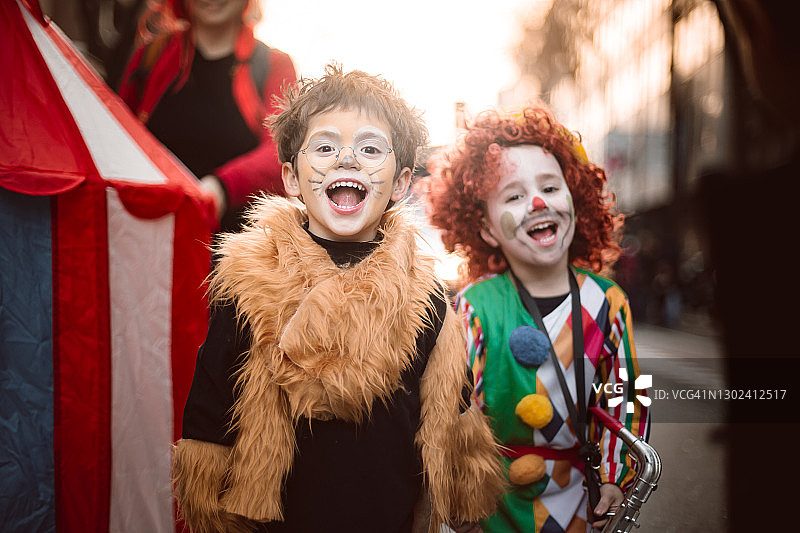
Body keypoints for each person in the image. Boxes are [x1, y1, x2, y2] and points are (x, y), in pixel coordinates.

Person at [171, 64, 505, 533]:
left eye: (370, 148)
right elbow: (210, 405)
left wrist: (461, 502)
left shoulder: (424, 296)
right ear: (290, 177)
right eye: (326, 147)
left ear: (402, 183)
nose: (347, 160)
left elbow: (452, 406)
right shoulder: (248, 284)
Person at [423, 106, 650, 533]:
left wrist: (616, 478)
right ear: (486, 228)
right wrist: (460, 494)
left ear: (574, 199)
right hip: (494, 507)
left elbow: (624, 401)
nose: (538, 202)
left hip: (581, 502)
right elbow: (455, 409)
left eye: (549, 186)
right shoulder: (474, 305)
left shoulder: (608, 302)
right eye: (514, 195)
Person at [117, 0, 297, 233]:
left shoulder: (274, 65)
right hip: (153, 238)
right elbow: (117, 135)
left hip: (236, 251)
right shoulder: (150, 56)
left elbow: (282, 151)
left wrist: (221, 187)